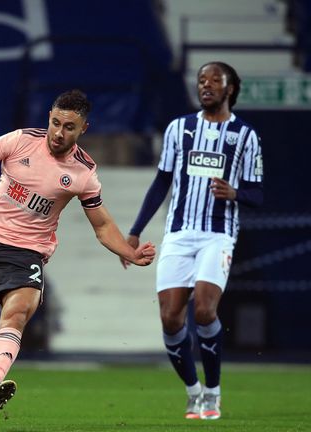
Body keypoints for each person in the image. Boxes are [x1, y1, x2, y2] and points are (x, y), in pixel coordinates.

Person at [0, 89, 157, 430]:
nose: (59, 133)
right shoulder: (19, 141)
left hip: (26, 253)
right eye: (56, 123)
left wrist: (129, 252)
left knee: (15, 315)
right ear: (49, 117)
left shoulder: (83, 173)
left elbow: (102, 225)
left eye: (69, 127)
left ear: (83, 129)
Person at [122, 62, 264, 421]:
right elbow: (161, 182)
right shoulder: (178, 129)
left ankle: (213, 391)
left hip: (218, 234)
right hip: (179, 233)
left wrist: (235, 193)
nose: (206, 86)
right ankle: (193, 391)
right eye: (202, 80)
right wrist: (136, 230)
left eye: (215, 81)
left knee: (203, 309)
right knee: (170, 318)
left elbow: (258, 194)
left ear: (230, 88)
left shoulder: (246, 136)